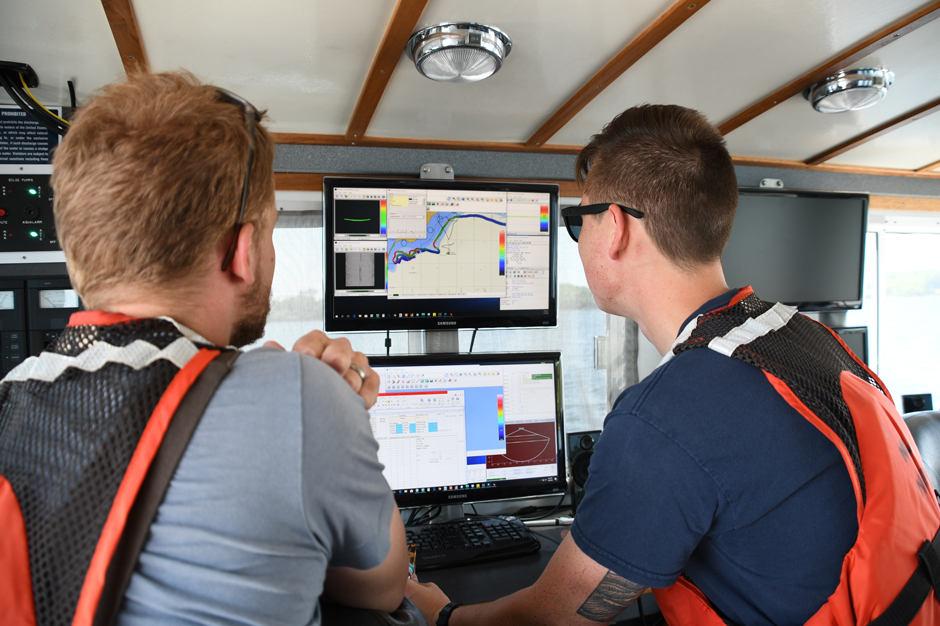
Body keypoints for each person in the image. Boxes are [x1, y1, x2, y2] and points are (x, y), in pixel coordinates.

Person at [405, 105, 940, 625]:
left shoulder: (665, 414)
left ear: (615, 227)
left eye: (578, 220)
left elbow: (550, 617)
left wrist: (440, 613)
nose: (580, 239)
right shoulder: (808, 337)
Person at [0, 71, 407, 625]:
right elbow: (383, 590)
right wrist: (338, 409)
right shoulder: (298, 396)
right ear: (242, 251)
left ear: (79, 256)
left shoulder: (10, 399)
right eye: (270, 231)